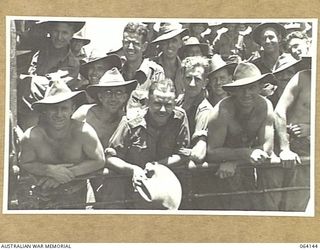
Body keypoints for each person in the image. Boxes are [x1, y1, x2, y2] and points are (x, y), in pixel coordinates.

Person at [19, 79, 105, 209]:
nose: (59, 114)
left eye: (64, 108)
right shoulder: (32, 136)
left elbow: (99, 160)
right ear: (45, 111)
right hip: (42, 194)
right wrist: (49, 170)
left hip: (77, 195)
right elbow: (25, 163)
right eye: (53, 109)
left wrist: (65, 174)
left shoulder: (84, 132)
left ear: (72, 109)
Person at [105, 78, 190, 209]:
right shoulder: (130, 122)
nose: (162, 110)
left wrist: (157, 166)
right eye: (157, 103)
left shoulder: (179, 118)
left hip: (167, 195)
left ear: (175, 103)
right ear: (148, 102)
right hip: (132, 193)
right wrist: (133, 170)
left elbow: (183, 153)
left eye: (168, 105)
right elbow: (111, 158)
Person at [206, 62, 275, 210]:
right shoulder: (221, 112)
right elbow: (211, 152)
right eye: (242, 89)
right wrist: (246, 153)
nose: (246, 94)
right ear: (234, 90)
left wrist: (235, 161)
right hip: (218, 172)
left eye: (252, 88)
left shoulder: (266, 107)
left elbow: (267, 147)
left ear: (260, 87)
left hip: (246, 167)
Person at [81, 68, 138, 207]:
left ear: (125, 97)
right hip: (85, 174)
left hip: (116, 178)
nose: (113, 98)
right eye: (108, 92)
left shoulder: (128, 121)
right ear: (100, 96)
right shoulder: (84, 114)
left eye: (118, 93)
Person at [273, 69, 311, 211]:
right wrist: (285, 149)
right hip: (287, 143)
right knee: (273, 200)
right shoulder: (302, 77)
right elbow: (279, 111)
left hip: (309, 151)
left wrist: (312, 128)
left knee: (298, 203)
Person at [178, 56, 213, 168]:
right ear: (182, 79)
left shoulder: (205, 110)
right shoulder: (177, 102)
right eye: (188, 78)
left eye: (197, 79)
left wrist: (176, 153)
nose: (192, 84)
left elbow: (198, 154)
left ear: (205, 83)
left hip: (192, 173)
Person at [151, 23, 189, 95]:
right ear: (161, 44)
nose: (170, 45)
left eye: (174, 41)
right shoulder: (150, 67)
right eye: (166, 41)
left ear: (180, 43)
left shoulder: (186, 69)